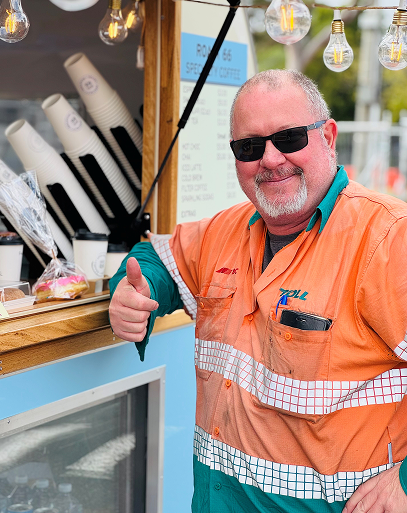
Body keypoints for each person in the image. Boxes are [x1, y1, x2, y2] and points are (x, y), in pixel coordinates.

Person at [109, 69, 407, 513]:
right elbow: (156, 259)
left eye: (288, 138)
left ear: (328, 137)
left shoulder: (387, 239)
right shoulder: (225, 231)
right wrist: (133, 293)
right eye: (249, 147)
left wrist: (404, 483)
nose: (269, 159)